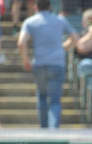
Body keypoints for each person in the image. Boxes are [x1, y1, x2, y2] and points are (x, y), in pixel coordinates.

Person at [17, 0, 79, 128]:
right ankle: (53, 131)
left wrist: (25, 60)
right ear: (50, 6)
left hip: (39, 64)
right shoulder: (60, 20)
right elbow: (75, 37)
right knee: (55, 100)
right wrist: (64, 48)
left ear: (35, 7)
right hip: (57, 64)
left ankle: (44, 131)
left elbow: (21, 43)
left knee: (42, 97)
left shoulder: (30, 22)